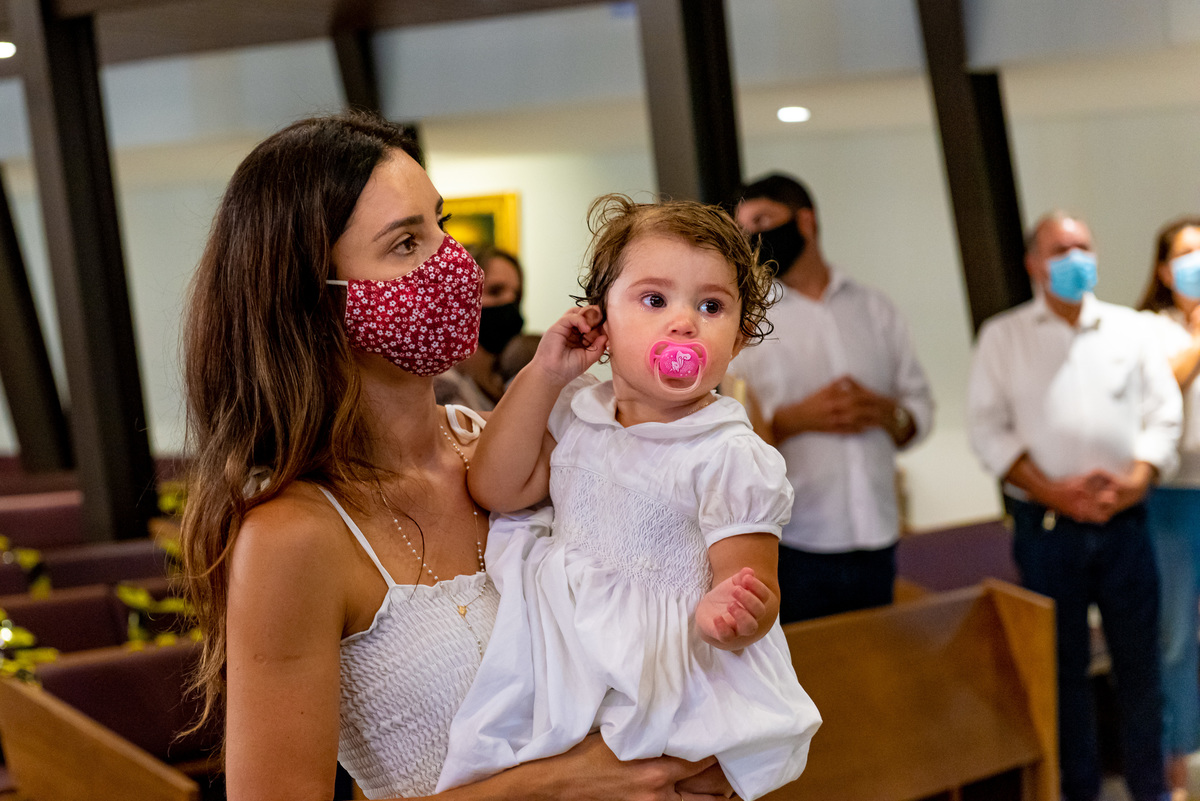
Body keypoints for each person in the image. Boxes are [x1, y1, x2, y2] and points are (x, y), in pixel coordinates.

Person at [178, 113, 735, 801]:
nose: (454, 262)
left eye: (440, 225)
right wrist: (560, 785)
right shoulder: (293, 535)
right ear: (313, 302)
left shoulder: (510, 446)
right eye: (405, 243)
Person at [435, 194, 821, 801]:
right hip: (564, 652)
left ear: (740, 336)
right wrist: (545, 373)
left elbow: (754, 588)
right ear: (600, 323)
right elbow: (496, 487)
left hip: (666, 669)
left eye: (711, 306)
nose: (684, 322)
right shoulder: (577, 412)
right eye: (654, 299)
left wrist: (732, 618)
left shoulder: (730, 456)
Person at [967, 211, 1182, 801]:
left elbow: (1164, 412)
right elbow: (987, 429)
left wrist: (1135, 481)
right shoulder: (1004, 336)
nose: (1075, 259)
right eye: (1060, 250)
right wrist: (1051, 489)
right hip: (1048, 526)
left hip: (1125, 523)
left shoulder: (1129, 329)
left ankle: (1149, 789)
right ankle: (1078, 790)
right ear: (1034, 264)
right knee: (1062, 671)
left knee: (1140, 665)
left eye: (1083, 246)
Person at [728, 173, 933, 623]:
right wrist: (792, 420)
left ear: (805, 221)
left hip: (878, 533)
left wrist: (888, 413)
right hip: (795, 539)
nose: (752, 237)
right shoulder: (750, 323)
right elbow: (729, 436)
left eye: (762, 221)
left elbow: (919, 409)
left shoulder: (874, 309)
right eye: (743, 229)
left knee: (878, 659)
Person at [1137, 216, 1200, 801]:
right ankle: (1179, 765)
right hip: (1174, 498)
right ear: (1163, 270)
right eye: (1187, 254)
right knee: (1176, 636)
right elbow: (1156, 394)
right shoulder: (1147, 330)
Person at [434, 246, 526, 410]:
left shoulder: (504, 379)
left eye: (516, 296)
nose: (509, 302)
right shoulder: (440, 386)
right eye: (495, 291)